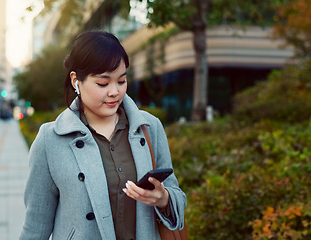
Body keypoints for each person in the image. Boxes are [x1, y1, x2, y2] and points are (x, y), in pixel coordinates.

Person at [19, 31, 186, 240]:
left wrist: (164, 199)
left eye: (122, 81)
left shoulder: (149, 127)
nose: (114, 92)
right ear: (75, 81)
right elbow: (36, 225)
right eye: (103, 83)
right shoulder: (51, 139)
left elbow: (177, 195)